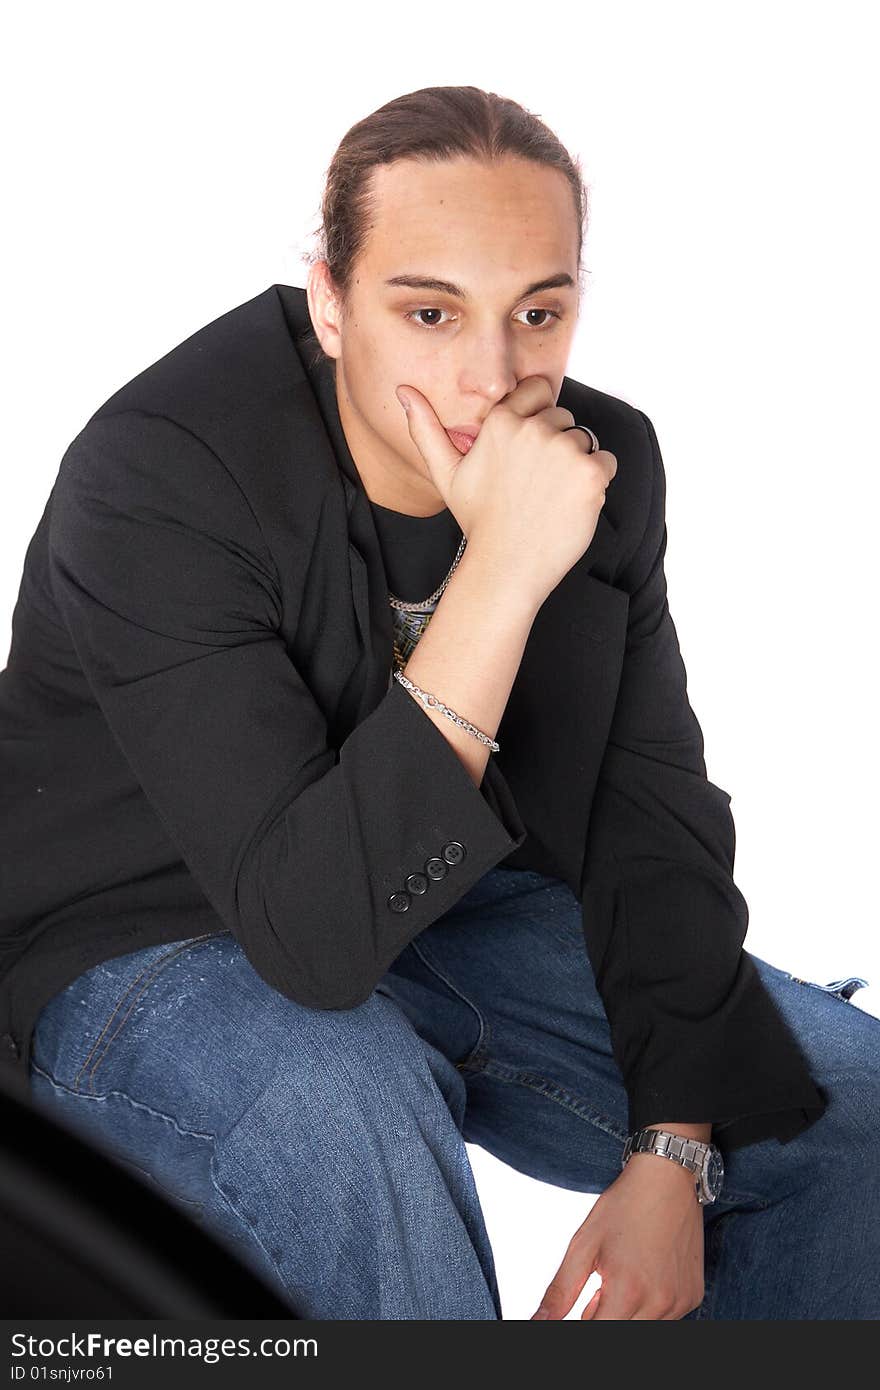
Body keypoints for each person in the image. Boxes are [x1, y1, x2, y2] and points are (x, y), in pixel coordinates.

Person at [1, 85, 877, 1321]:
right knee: (341, 1108)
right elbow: (312, 941)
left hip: (448, 901)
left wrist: (671, 1149)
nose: (493, 375)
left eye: (538, 311)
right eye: (428, 311)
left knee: (846, 1112)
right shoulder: (161, 471)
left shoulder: (598, 465)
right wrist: (506, 569)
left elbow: (654, 820)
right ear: (329, 303)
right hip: (145, 934)